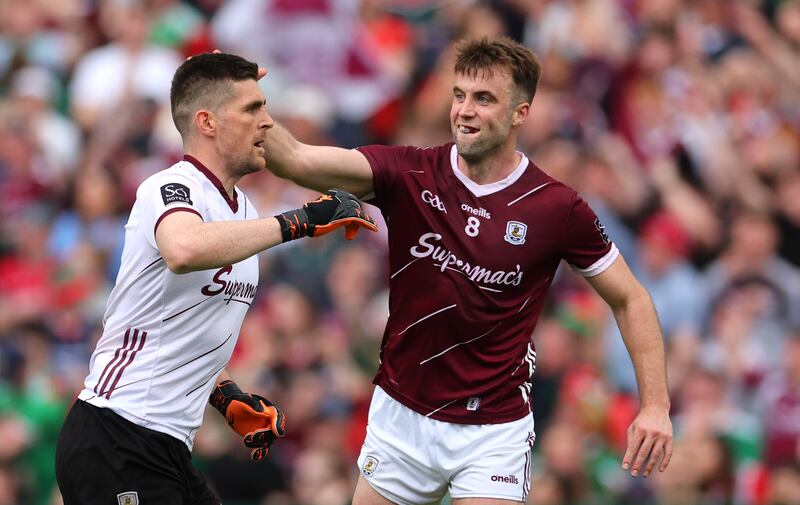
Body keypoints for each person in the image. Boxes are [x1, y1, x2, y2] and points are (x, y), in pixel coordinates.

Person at [262, 37, 673, 504]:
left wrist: (655, 405)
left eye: (484, 99)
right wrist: (242, 96)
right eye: (459, 95)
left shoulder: (557, 208)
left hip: (492, 429)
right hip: (402, 414)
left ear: (521, 112)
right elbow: (295, 159)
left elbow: (631, 297)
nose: (465, 110)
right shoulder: (409, 172)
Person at [54, 52, 377, 505]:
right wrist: (299, 222)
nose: (267, 122)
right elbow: (184, 249)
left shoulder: (243, 210)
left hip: (165, 446)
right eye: (252, 109)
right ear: (207, 122)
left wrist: (226, 396)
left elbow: (182, 323)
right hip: (117, 432)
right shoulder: (170, 187)